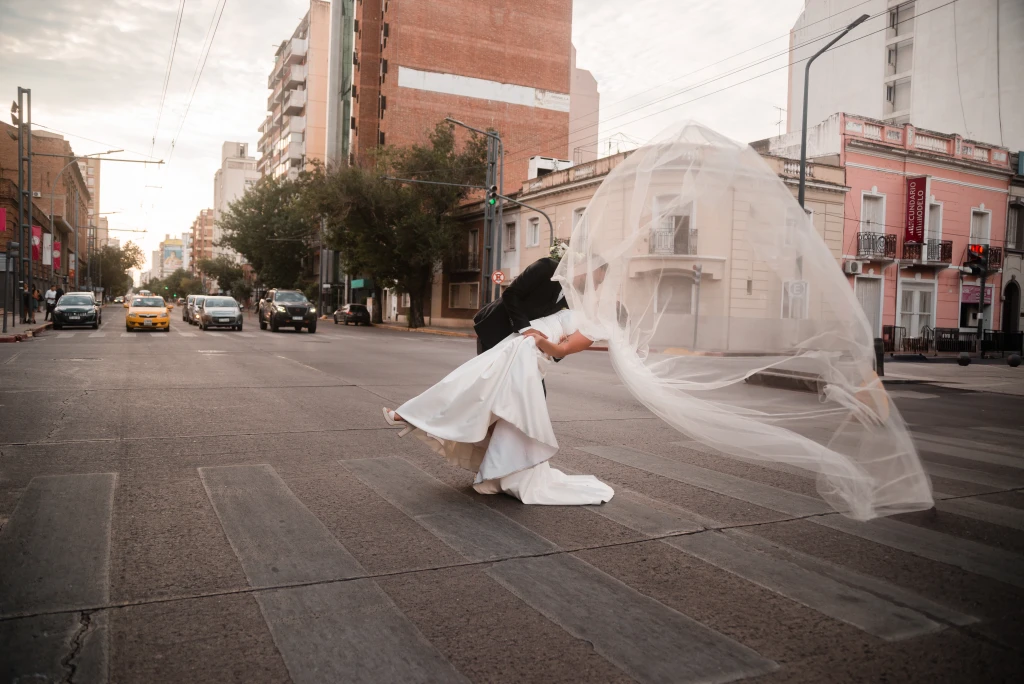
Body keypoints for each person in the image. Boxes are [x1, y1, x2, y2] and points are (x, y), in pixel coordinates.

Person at [382, 298, 613, 506]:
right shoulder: (581, 313)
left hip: (525, 354)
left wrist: (537, 339)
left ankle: (412, 416)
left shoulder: (592, 331)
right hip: (516, 346)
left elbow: (560, 349)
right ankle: (497, 467)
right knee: (476, 389)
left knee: (476, 389)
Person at [473, 242, 569, 355]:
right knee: (489, 371)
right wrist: (525, 329)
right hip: (497, 329)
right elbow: (510, 294)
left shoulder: (574, 295)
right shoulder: (546, 267)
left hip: (523, 345)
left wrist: (558, 347)